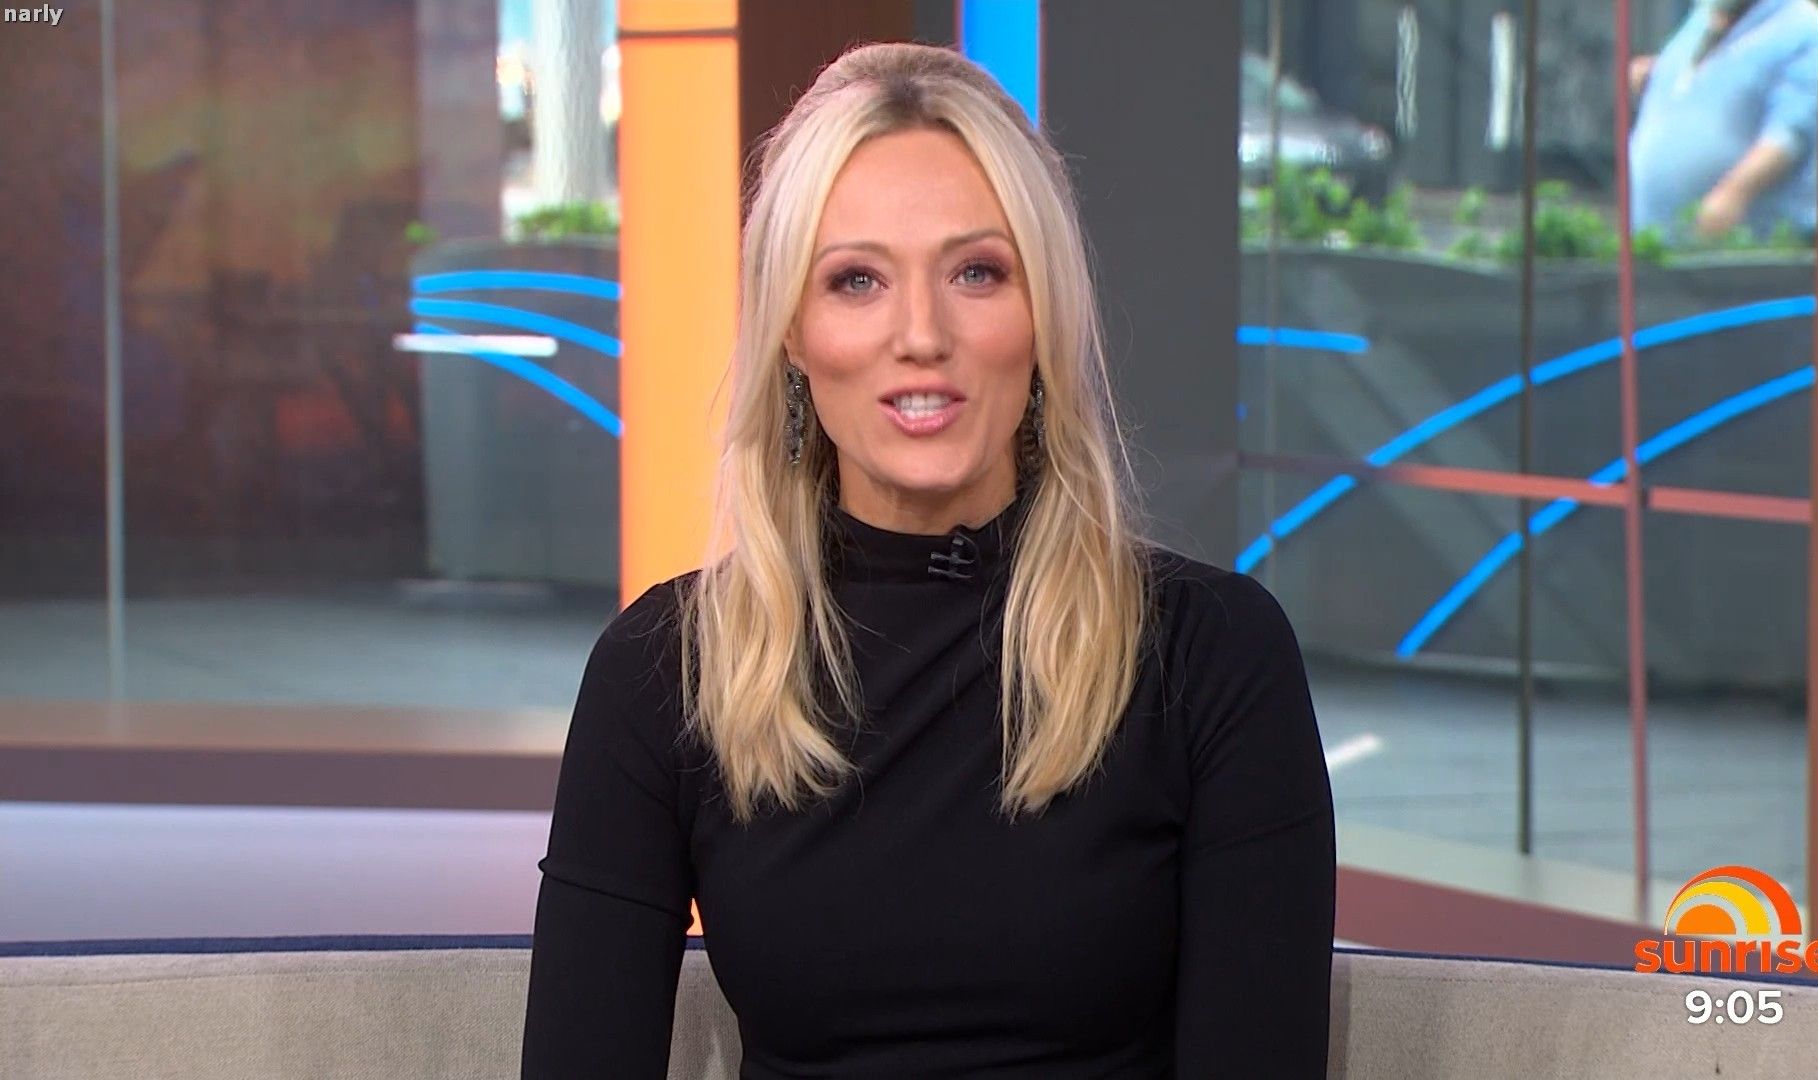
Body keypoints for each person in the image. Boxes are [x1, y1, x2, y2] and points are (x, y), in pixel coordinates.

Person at [520, 41, 1335, 1079]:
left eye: (976, 272)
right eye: (856, 280)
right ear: (793, 335)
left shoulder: (1211, 654)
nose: (922, 334)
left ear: (1042, 316)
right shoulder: (667, 669)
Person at [1628, 0, 1818, 241]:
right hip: (1654, 242)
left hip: (1747, 249)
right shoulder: (1704, 17)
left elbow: (1791, 134)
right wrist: (1655, 77)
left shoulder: (1802, 27)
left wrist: (1734, 192)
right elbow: (1702, 80)